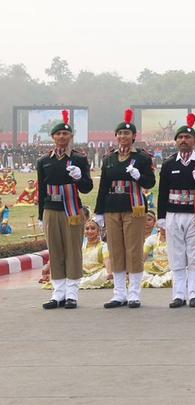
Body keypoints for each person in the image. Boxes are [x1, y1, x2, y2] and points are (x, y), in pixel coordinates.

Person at [94, 109, 156, 309]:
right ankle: (119, 293)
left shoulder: (143, 158)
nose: (123, 137)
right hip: (113, 206)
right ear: (116, 136)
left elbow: (150, 182)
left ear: (134, 137)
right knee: (116, 249)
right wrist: (99, 211)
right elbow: (104, 185)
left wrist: (139, 176)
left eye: (127, 133)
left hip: (134, 206)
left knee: (134, 248)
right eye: (120, 133)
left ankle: (134, 292)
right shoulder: (109, 159)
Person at [157, 113, 195, 308]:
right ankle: (178, 294)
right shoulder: (168, 164)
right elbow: (163, 191)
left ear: (194, 141)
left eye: (187, 137)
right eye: (180, 137)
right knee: (176, 255)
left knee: (193, 255)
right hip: (173, 213)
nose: (184, 140)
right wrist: (160, 217)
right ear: (175, 141)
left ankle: (194, 294)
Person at [39, 110, 94, 309]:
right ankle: (58, 293)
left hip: (72, 209)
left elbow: (87, 188)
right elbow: (41, 188)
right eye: (58, 134)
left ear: (71, 137)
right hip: (51, 208)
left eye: (66, 134)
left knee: (72, 250)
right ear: (53, 137)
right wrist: (40, 215)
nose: (62, 137)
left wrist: (79, 177)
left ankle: (72, 293)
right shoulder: (44, 160)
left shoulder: (78, 159)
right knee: (55, 250)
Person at [78, 218, 113, 289]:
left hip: (98, 274)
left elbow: (107, 261)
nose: (90, 231)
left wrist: (109, 273)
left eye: (93, 228)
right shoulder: (81, 246)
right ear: (84, 231)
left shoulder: (103, 246)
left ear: (98, 231)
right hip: (83, 275)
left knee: (105, 274)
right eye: (87, 229)